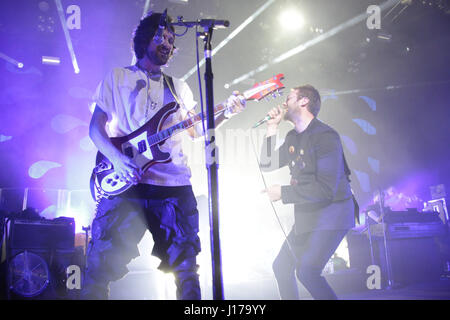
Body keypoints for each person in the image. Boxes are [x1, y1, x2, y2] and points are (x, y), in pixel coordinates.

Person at [83, 11, 245, 300]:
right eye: (161, 36)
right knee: (99, 268)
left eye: (171, 39)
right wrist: (118, 161)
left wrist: (228, 111)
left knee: (186, 269)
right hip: (126, 185)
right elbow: (95, 130)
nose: (167, 43)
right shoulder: (117, 77)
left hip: (173, 187)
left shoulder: (178, 87)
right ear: (144, 38)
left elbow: (197, 130)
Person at [260, 85, 356, 300]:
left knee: (307, 272)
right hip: (309, 215)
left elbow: (325, 189)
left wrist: (282, 193)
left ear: (304, 102)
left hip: (334, 213)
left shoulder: (326, 136)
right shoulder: (293, 137)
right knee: (281, 266)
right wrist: (271, 128)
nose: (284, 103)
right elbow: (266, 163)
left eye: (289, 98)